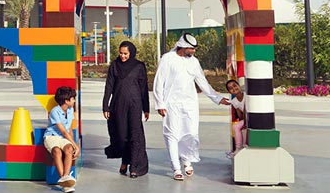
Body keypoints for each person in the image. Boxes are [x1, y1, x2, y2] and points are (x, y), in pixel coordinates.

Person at [152, 33, 230, 181]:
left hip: (190, 104)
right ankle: (176, 167)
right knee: (172, 134)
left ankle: (186, 160)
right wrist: (160, 103)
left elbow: (202, 82)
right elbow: (158, 82)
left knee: (190, 133)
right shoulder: (167, 59)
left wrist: (218, 98)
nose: (193, 51)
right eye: (191, 49)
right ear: (183, 46)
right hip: (171, 104)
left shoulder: (194, 62)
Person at [103, 41, 150, 177]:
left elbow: (143, 89)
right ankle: (125, 160)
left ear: (131, 53)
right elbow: (109, 86)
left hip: (135, 106)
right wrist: (105, 105)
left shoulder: (139, 66)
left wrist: (146, 109)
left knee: (135, 135)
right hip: (118, 106)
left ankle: (134, 167)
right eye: (121, 53)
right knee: (122, 135)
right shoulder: (115, 66)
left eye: (125, 53)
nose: (122, 56)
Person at [45, 86, 79, 193]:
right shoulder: (55, 111)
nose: (74, 100)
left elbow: (68, 131)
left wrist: (73, 145)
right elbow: (63, 131)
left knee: (69, 149)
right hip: (51, 136)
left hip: (63, 138)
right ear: (66, 100)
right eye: (73, 98)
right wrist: (77, 146)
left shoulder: (70, 111)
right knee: (56, 151)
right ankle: (65, 180)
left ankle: (65, 178)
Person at [224, 79, 247, 159]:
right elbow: (240, 115)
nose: (234, 88)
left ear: (239, 86)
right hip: (246, 119)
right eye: (230, 88)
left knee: (236, 127)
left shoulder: (246, 96)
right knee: (236, 127)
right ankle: (238, 147)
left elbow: (246, 110)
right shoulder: (234, 101)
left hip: (253, 118)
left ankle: (238, 148)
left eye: (235, 85)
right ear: (229, 92)